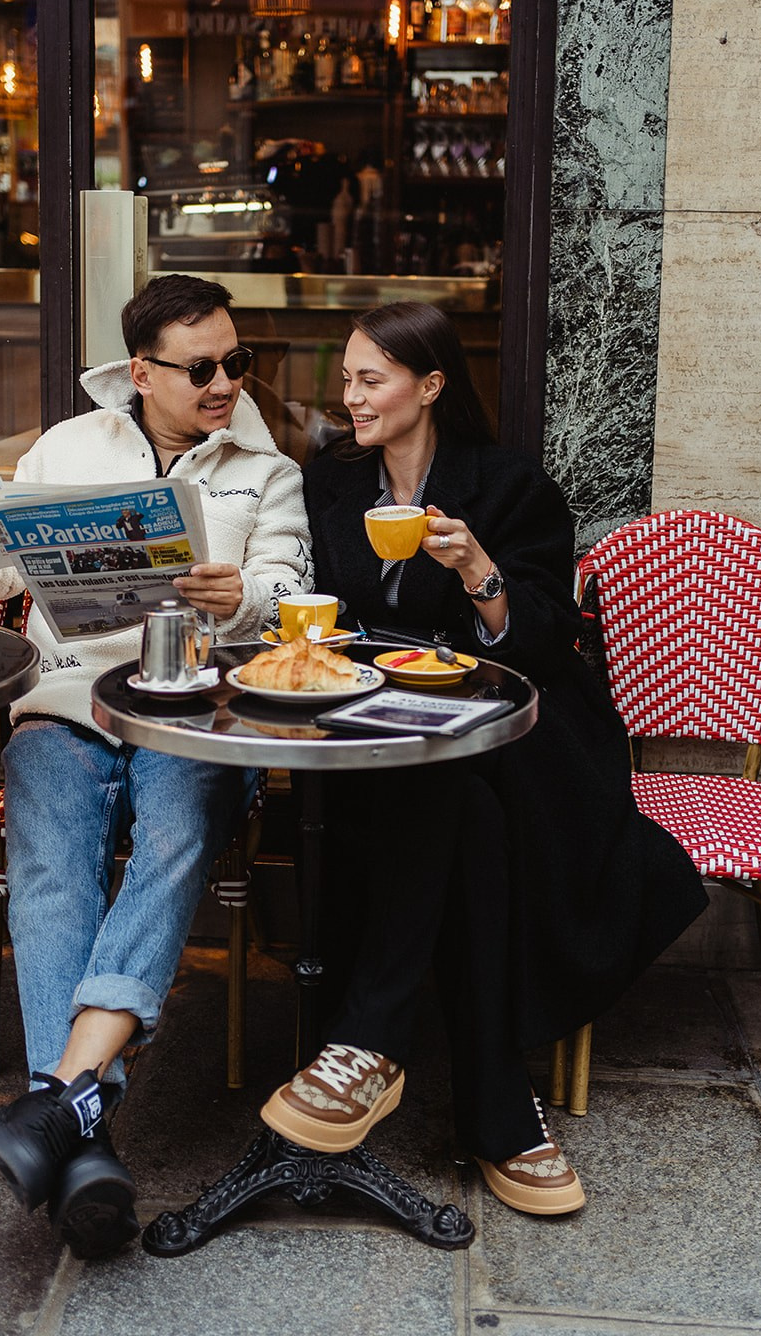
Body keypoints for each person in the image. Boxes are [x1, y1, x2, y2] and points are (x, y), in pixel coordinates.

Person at [258, 302, 707, 1216]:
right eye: (345, 379)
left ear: (428, 387)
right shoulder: (332, 481)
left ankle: (369, 1042)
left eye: (369, 380)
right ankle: (498, 1109)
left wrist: (478, 574)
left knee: (462, 784)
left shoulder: (505, 485)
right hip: (378, 731)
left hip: (520, 727)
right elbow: (320, 611)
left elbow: (545, 642)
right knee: (465, 812)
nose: (351, 398)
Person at [0, 273, 312, 1257]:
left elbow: (292, 586)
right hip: (66, 699)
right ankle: (81, 1128)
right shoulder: (68, 446)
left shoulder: (266, 468)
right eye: (203, 368)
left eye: (237, 362)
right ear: (141, 372)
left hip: (199, 711)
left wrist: (242, 600)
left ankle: (59, 1107)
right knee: (49, 868)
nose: (227, 383)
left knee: (174, 840)